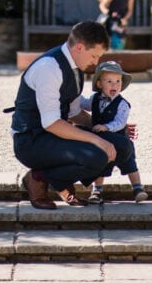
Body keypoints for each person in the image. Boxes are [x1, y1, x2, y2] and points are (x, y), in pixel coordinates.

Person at [11, 21, 135, 210]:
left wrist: (111, 129)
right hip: (32, 140)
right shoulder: (49, 67)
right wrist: (98, 140)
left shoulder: (76, 69)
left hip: (54, 135)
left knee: (123, 145)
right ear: (79, 47)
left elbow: (74, 112)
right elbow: (51, 123)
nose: (95, 62)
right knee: (98, 155)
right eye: (94, 56)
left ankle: (59, 180)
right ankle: (38, 179)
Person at [83, 61, 147, 204]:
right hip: (103, 142)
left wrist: (106, 127)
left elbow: (120, 122)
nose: (114, 85)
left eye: (118, 81)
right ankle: (97, 191)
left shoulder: (122, 104)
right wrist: (73, 99)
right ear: (99, 84)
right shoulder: (95, 99)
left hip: (120, 141)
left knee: (129, 164)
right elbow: (84, 104)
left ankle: (138, 188)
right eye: (109, 81)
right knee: (101, 165)